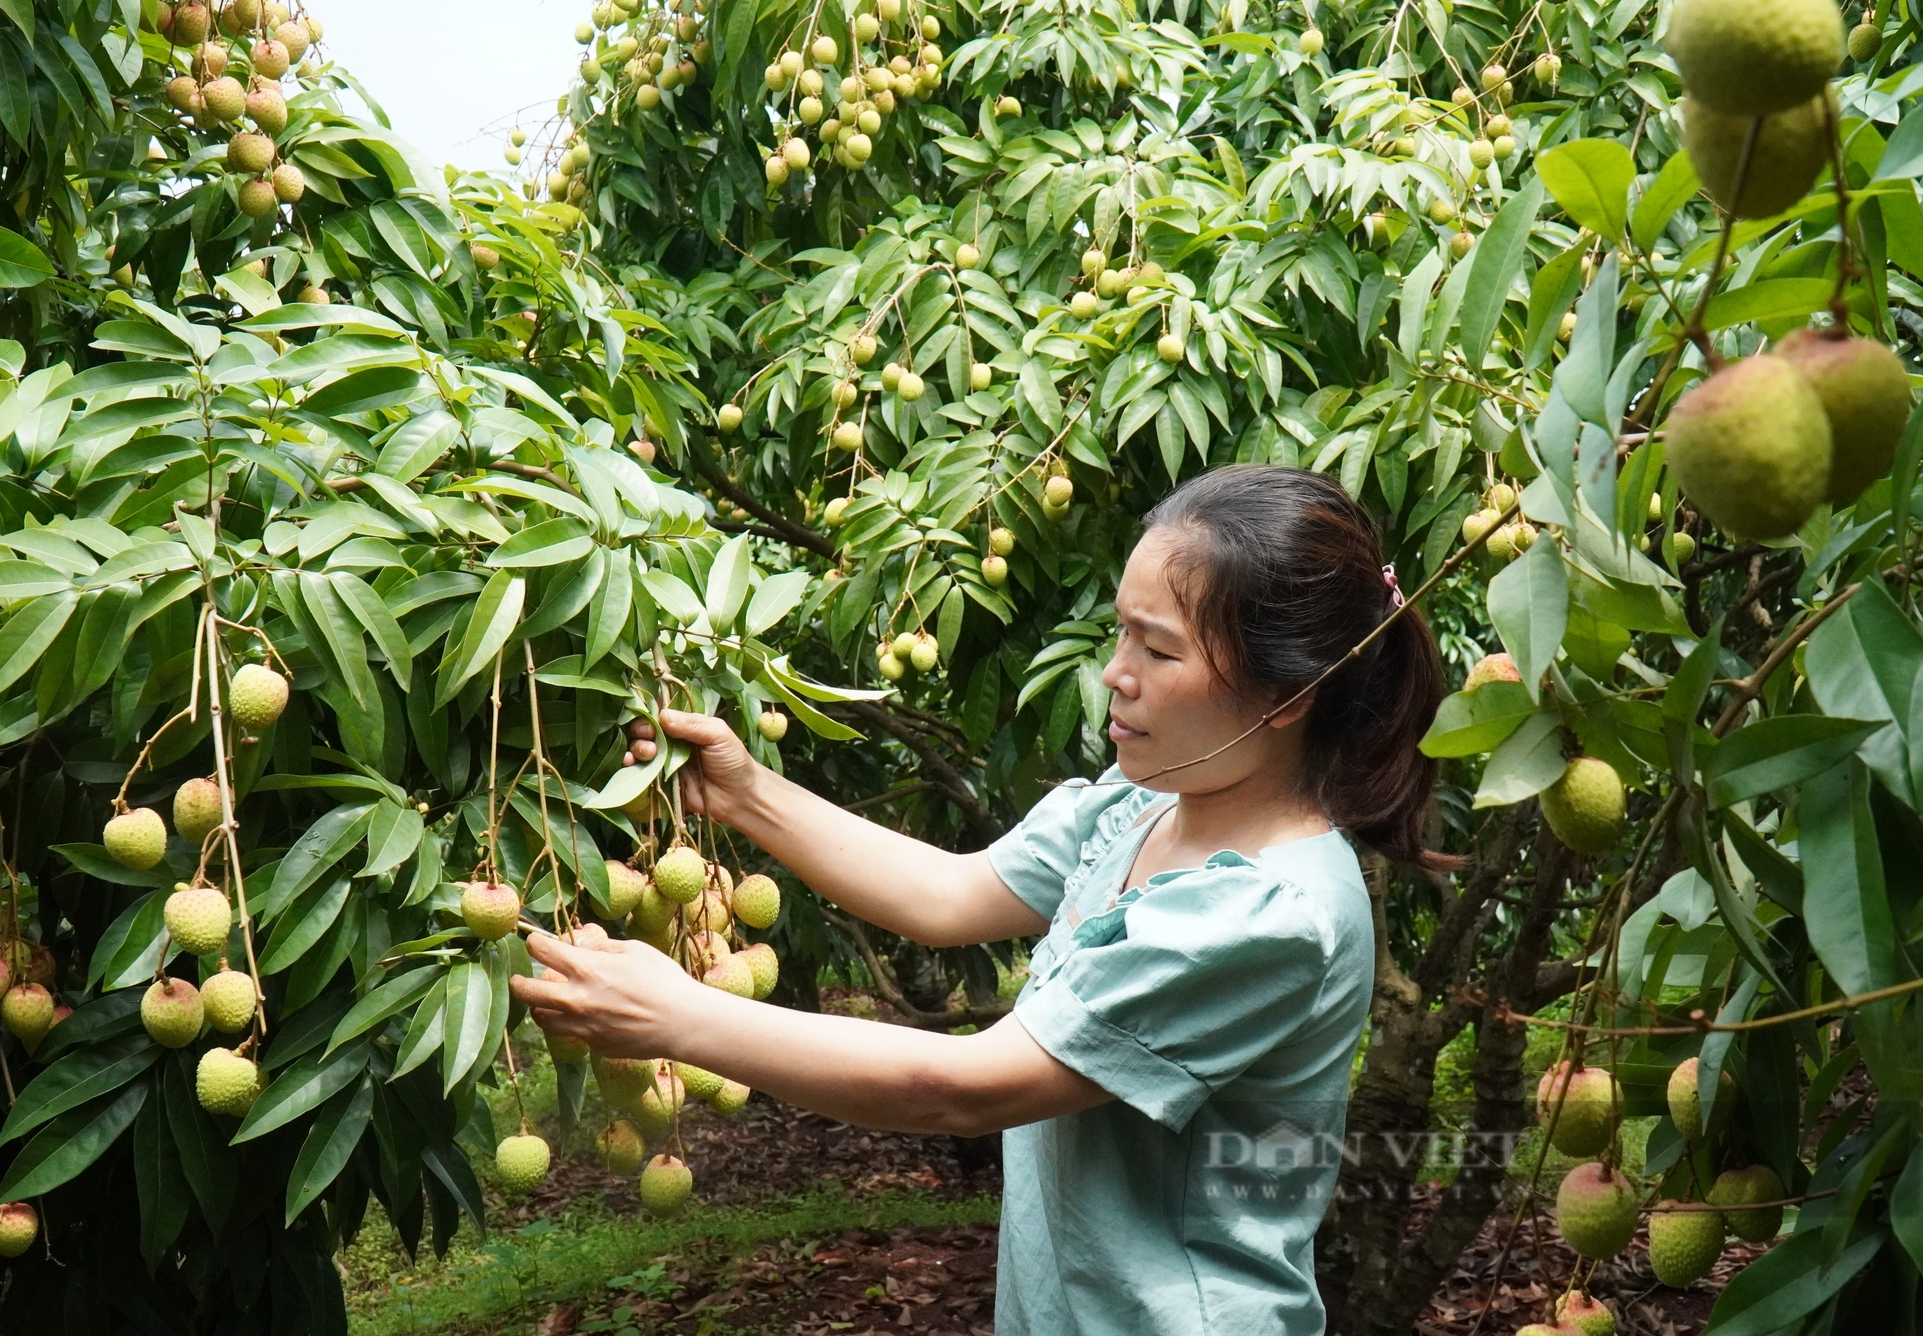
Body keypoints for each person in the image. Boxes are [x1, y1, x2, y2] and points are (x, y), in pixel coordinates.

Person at [511, 464, 1453, 1335]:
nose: (1114, 672)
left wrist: (678, 1017)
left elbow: (964, 1090)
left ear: (1286, 695)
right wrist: (745, 791)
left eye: (1158, 650)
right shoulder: (1144, 804)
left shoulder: (1264, 914)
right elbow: (948, 893)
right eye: (1121, 629)